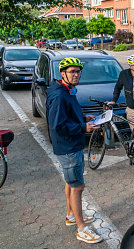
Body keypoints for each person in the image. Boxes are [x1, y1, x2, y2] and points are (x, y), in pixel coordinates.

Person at [46, 57, 102, 244]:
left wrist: (83, 117)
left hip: (69, 145)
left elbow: (67, 116)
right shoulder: (60, 95)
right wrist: (82, 128)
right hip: (68, 147)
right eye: (72, 72)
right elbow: (57, 126)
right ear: (63, 74)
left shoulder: (66, 90)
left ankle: (71, 215)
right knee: (78, 187)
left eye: (78, 71)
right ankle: (81, 228)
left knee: (71, 183)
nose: (76, 74)